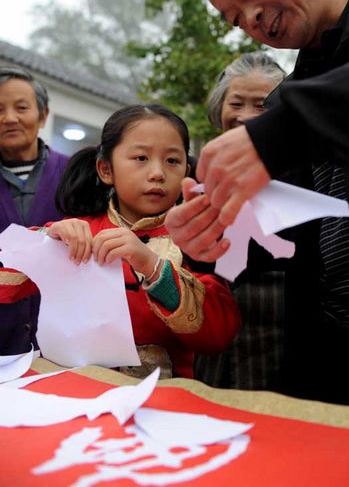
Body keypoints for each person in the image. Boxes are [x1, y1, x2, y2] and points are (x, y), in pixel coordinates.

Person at [166, 0, 349, 411]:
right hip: (335, 361)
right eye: (234, 18)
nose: (249, 20)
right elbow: (285, 236)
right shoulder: (288, 98)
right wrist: (213, 238)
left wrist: (284, 130)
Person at [1, 103, 240, 378]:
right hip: (75, 395)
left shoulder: (196, 238)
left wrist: (153, 267)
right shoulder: (76, 234)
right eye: (141, 158)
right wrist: (45, 241)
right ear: (106, 169)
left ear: (186, 170)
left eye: (172, 161)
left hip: (160, 402)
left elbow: (219, 335)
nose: (158, 173)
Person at [195, 51, 287, 389]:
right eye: (236, 103)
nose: (246, 117)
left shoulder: (307, 171)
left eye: (262, 105)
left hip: (287, 327)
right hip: (216, 324)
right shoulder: (197, 174)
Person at [0, 65, 68, 356]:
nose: (9, 118)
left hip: (65, 344)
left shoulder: (76, 174)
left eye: (22, 107)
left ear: (43, 116)